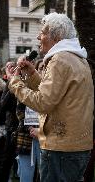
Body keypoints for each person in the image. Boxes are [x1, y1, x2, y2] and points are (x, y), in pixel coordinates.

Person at [9, 12, 94, 182]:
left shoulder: (60, 59)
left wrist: (14, 83)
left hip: (61, 148)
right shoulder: (76, 57)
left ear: (55, 36)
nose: (38, 36)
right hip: (74, 146)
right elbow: (56, 95)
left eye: (42, 32)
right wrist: (32, 74)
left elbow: (43, 102)